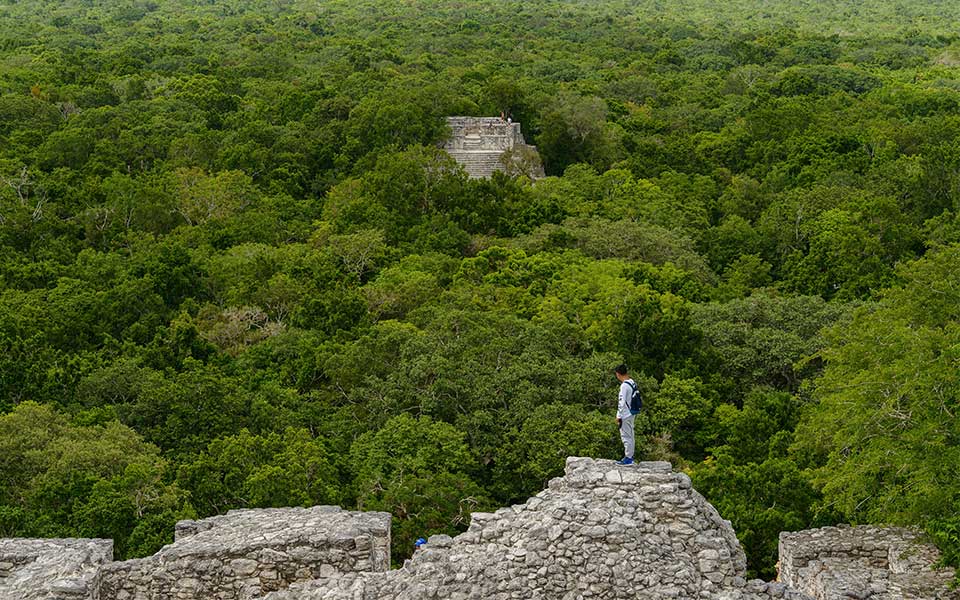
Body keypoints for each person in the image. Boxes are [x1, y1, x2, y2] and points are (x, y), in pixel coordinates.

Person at [614, 364, 636, 465]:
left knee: (626, 436)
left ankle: (628, 458)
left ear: (618, 374)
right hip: (632, 412)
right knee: (630, 435)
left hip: (625, 414)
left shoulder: (624, 386)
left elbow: (621, 402)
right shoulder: (632, 382)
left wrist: (618, 416)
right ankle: (630, 456)